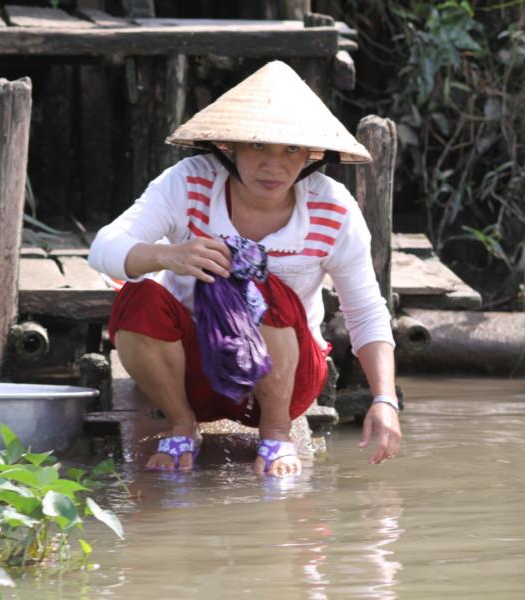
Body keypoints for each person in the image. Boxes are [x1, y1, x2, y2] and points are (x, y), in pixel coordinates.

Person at [88, 61, 402, 476]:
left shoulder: (333, 207)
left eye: (290, 149)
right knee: (137, 296)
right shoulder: (188, 182)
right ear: (229, 147)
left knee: (264, 290)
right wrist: (169, 255)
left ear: (311, 155)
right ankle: (181, 424)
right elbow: (103, 248)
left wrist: (384, 399)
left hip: (286, 382)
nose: (274, 165)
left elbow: (365, 310)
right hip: (195, 377)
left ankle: (275, 434)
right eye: (258, 147)